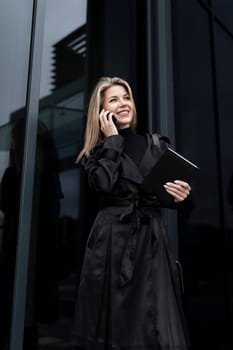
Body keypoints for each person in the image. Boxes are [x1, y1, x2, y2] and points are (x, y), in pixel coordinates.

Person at [72, 76, 191, 350]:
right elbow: (102, 184)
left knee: (156, 322)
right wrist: (113, 140)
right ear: (101, 111)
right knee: (118, 324)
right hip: (112, 242)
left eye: (126, 97)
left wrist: (177, 197)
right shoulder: (97, 152)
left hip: (151, 238)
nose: (123, 103)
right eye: (113, 99)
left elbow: (162, 192)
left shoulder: (156, 144)